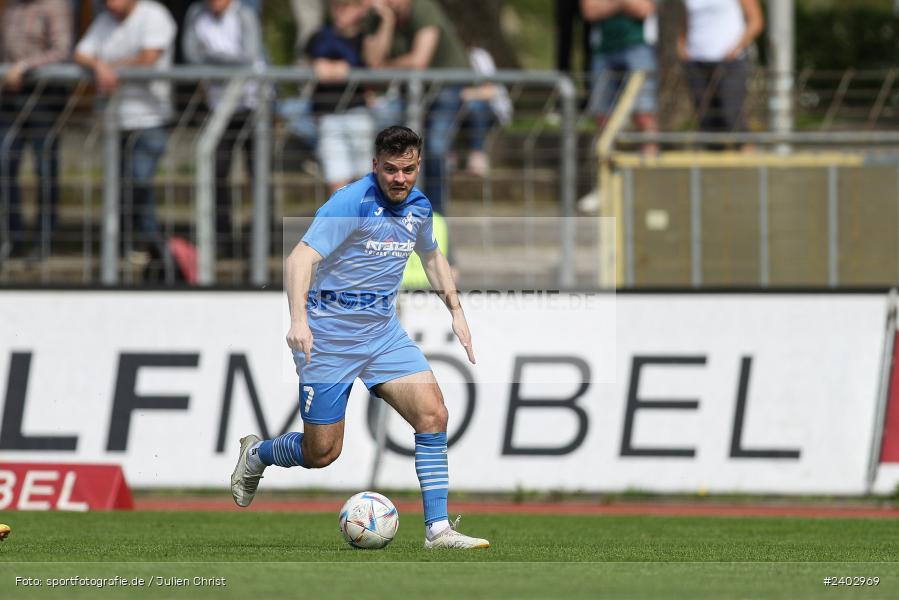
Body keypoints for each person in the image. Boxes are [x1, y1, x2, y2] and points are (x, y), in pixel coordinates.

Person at [230, 126, 490, 550]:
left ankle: (437, 530)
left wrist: (456, 310)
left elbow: (431, 256)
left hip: (383, 335)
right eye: (390, 169)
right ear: (375, 166)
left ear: (418, 166)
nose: (399, 178)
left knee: (433, 416)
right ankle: (257, 454)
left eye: (407, 170)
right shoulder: (351, 202)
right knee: (322, 453)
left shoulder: (419, 208)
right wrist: (298, 320)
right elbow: (299, 259)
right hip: (329, 337)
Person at [74, 0, 177, 272]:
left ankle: (152, 247)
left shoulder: (154, 15)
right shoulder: (105, 20)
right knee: (121, 187)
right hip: (116, 121)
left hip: (149, 119)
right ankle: (139, 248)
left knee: (139, 183)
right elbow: (81, 53)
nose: (110, 3)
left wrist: (111, 67)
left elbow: (149, 57)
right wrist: (99, 65)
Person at [364, 0, 470, 216]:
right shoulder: (378, 16)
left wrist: (386, 67)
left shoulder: (423, 7)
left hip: (446, 86)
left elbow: (420, 61)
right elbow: (372, 63)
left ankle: (435, 214)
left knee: (436, 147)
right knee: (383, 137)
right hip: (409, 90)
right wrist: (387, 21)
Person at [183, 0, 266, 258]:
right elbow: (191, 57)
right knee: (217, 174)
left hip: (251, 105)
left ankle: (262, 241)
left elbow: (249, 58)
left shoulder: (244, 15)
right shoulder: (197, 14)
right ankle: (222, 240)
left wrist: (211, 58)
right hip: (219, 107)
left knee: (259, 175)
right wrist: (225, 63)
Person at [0, 0, 73, 262]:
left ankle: (43, 238)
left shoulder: (55, 6)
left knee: (45, 170)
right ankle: (12, 237)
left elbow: (62, 50)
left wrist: (25, 66)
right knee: (4, 166)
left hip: (44, 97)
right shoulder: (11, 7)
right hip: (10, 97)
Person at [578, 0, 659, 212]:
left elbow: (644, 9)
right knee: (603, 120)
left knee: (644, 116)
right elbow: (589, 10)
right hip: (603, 50)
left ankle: (648, 186)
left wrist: (609, 5)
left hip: (639, 47)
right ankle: (605, 186)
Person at [306, 0, 376, 194]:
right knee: (337, 184)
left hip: (358, 113)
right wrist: (330, 68)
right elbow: (310, 65)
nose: (340, 12)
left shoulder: (366, 39)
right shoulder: (320, 37)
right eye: (337, 6)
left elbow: (375, 64)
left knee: (366, 183)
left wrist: (383, 18)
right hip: (328, 116)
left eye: (346, 6)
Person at [679, 0, 763, 142]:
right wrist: (681, 47)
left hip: (730, 62)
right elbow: (686, 21)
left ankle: (748, 159)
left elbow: (756, 21)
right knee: (706, 121)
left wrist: (736, 48)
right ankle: (712, 161)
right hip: (696, 62)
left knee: (732, 116)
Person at [458, 46, 512, 177]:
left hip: (491, 110)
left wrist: (463, 94)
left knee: (474, 106)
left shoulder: (478, 57)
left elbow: (490, 91)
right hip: (462, 112)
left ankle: (478, 154)